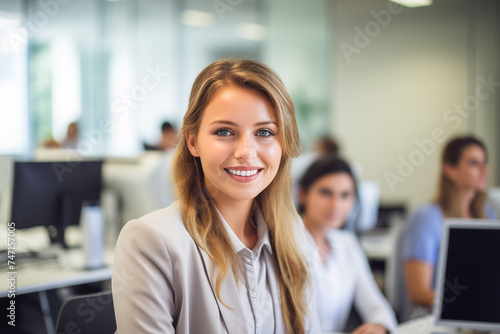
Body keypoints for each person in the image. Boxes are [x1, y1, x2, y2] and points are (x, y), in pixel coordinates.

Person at [112, 59, 321, 333]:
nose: (246, 151)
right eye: (224, 131)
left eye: (264, 132)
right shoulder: (150, 242)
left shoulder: (295, 239)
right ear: (193, 141)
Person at [399, 135, 497, 321]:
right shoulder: (427, 217)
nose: (484, 170)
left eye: (485, 162)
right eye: (474, 163)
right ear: (450, 169)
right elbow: (419, 292)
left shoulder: (487, 214)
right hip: (431, 320)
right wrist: (475, 305)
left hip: (475, 317)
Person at [298, 156, 397, 334]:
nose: (336, 205)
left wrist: (379, 326)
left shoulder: (346, 244)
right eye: (325, 193)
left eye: (345, 195)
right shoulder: (285, 242)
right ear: (303, 195)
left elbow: (376, 304)